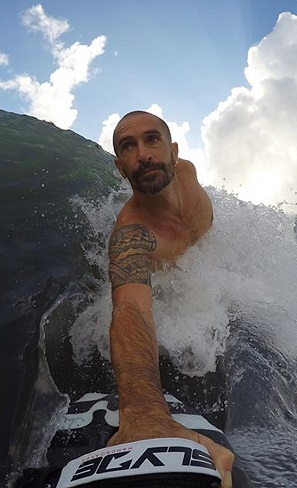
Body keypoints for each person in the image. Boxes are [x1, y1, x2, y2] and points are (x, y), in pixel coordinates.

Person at [106, 110, 235, 488]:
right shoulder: (132, 237)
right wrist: (145, 414)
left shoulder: (187, 172)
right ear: (120, 167)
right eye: (128, 147)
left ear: (174, 151)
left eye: (152, 140)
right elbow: (130, 310)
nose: (144, 154)